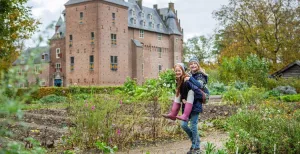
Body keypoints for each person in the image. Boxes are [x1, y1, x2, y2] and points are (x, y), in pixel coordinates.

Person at [162, 63, 203, 154]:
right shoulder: (179, 81)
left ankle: (196, 147)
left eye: (179, 70)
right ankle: (195, 142)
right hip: (186, 107)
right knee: (183, 125)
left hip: (195, 106)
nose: (177, 72)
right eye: (176, 71)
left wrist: (189, 99)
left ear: (183, 71)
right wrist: (183, 98)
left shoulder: (187, 80)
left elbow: (198, 93)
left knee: (193, 125)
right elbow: (183, 94)